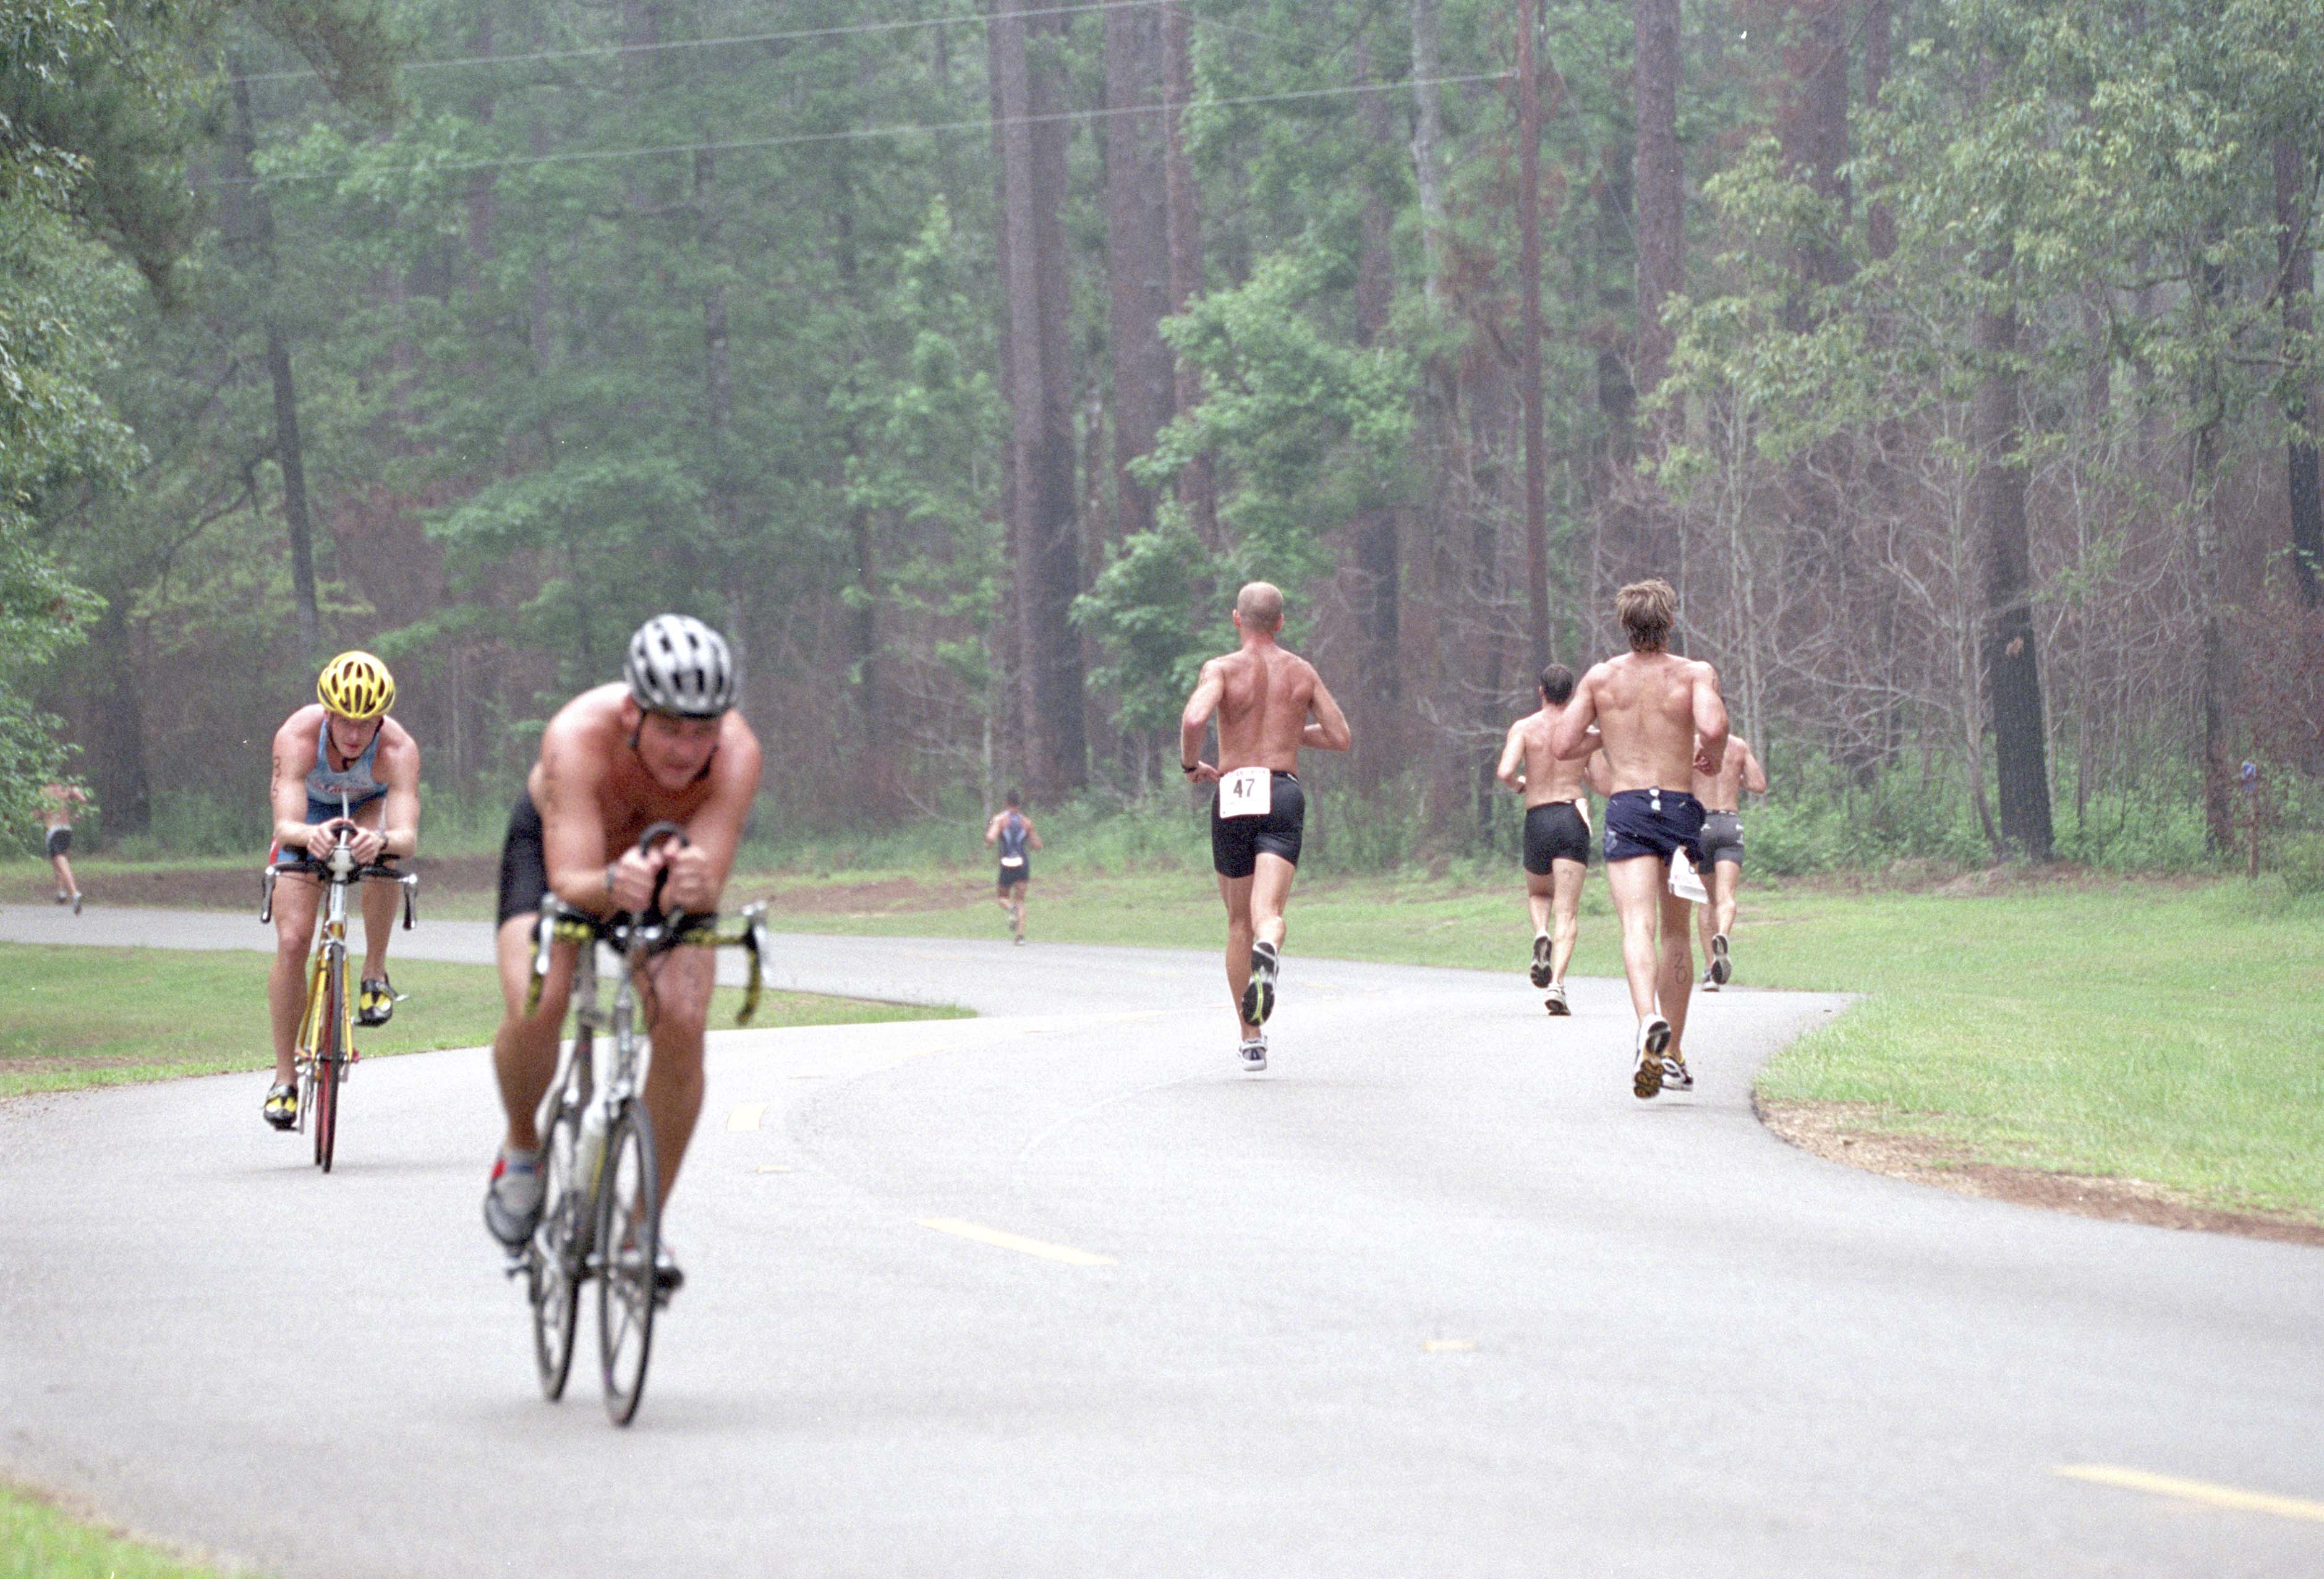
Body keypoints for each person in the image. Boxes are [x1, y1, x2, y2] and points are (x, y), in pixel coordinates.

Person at [480, 615, 763, 1294]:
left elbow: (709, 875)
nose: (687, 749)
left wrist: (693, 881)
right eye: (670, 727)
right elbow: (571, 880)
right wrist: (611, 883)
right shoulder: (577, 737)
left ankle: (642, 1225)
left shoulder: (738, 755)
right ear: (633, 709)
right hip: (564, 859)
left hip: (661, 866)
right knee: (539, 1001)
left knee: (685, 1022)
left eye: (703, 730)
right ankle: (523, 1148)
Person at [1549, 579, 1728, 1099]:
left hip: (1627, 806)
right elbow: (1713, 727)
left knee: (1635, 924)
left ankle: (1647, 1018)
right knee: (1675, 932)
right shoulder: (1694, 673)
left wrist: (1607, 730)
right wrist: (1709, 756)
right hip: (1676, 807)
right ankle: (1671, 1055)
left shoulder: (1602, 678)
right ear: (1670, 622)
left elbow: (1563, 744)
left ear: (1624, 625)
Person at [1179, 581, 1352, 1072]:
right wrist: (1289, 730)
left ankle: (1250, 1039)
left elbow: (1195, 719)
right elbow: (1340, 737)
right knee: (1267, 912)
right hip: (1281, 790)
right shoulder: (1301, 672)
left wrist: (1192, 766)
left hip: (1234, 791)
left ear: (1237, 619)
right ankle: (1268, 948)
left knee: (1236, 922)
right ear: (1280, 623)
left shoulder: (1221, 669)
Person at [262, 652, 420, 1131]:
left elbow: (407, 838)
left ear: (380, 720)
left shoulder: (398, 750)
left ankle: (374, 973)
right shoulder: (297, 737)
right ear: (327, 713)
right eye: (345, 721)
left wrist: (384, 841)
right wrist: (306, 835)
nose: (354, 734)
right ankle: (285, 1079)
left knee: (383, 857)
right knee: (293, 942)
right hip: (308, 815)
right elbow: (285, 823)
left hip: (368, 810)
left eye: (366, 723)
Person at [1495, 665, 1610, 1015]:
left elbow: (1504, 772)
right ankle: (1557, 984)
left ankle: (1540, 933)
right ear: (1571, 693)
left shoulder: (1524, 728)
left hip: (1538, 817)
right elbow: (1603, 784)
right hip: (1571, 817)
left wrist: (1521, 785)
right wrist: (1585, 768)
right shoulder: (1584, 734)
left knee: (1539, 893)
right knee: (1569, 911)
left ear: (1541, 691)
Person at [1693, 732, 1766, 992]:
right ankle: (1722, 933)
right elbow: (1759, 784)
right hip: (1730, 823)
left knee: (1705, 899)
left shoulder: (1691, 745)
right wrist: (1735, 778)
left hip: (1701, 824)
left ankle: (1710, 969)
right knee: (1726, 897)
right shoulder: (1738, 746)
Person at [984, 791, 1043, 944]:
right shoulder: (1027, 822)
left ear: (1006, 803)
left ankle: (1011, 909)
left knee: (1003, 898)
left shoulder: (1000, 819)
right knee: (1021, 901)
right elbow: (1037, 846)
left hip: (1007, 863)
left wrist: (989, 842)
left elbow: (991, 838)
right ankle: (1020, 936)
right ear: (1019, 804)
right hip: (1022, 863)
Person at [40, 782, 89, 914]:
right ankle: (61, 892)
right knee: (58, 862)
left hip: (53, 830)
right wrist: (78, 813)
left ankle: (74, 893)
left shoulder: (43, 792)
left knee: (61, 862)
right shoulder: (66, 789)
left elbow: (37, 814)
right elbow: (83, 799)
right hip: (66, 830)